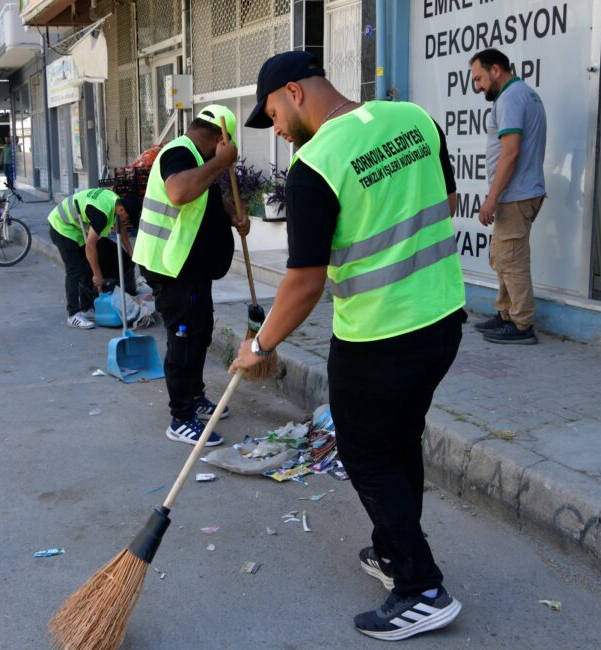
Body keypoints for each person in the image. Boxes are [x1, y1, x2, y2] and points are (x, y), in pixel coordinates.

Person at [230, 51, 465, 641]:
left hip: (377, 338)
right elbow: (449, 203)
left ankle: (421, 588)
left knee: (365, 454)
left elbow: (304, 282)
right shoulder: (414, 119)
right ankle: (393, 551)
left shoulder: (316, 166)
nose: (276, 131)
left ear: (294, 92)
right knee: (400, 440)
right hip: (442, 320)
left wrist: (260, 344)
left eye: (272, 115)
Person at [132, 104, 250, 448]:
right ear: (220, 138)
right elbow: (179, 192)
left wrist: (234, 216)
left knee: (200, 332)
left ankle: (195, 396)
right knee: (184, 340)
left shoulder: (199, 160)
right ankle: (181, 418)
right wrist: (220, 162)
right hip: (170, 268)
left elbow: (208, 195)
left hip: (191, 268)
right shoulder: (179, 153)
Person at [470, 48, 547, 345]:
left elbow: (511, 153)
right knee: (502, 256)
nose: (478, 87)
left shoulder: (511, 97)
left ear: (496, 70)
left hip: (516, 195)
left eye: (479, 79)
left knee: (512, 261)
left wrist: (491, 198)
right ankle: (505, 314)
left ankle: (522, 324)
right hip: (515, 194)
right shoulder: (521, 94)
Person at [47, 188, 139, 328]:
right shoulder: (101, 215)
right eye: (127, 219)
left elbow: (121, 229)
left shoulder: (115, 202)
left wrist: (131, 252)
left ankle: (86, 308)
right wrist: (97, 275)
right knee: (74, 269)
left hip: (75, 227)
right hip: (61, 226)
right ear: (121, 210)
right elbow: (90, 247)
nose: (127, 222)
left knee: (86, 266)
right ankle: (73, 314)